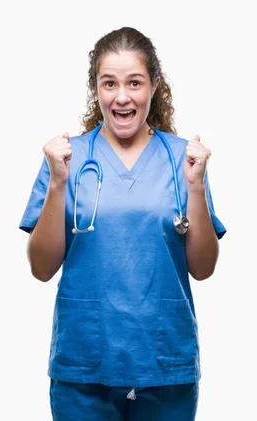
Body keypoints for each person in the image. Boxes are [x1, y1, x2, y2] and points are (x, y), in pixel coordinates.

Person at [19, 26, 226, 420]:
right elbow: (41, 268)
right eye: (109, 83)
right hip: (84, 366)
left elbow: (203, 268)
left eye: (135, 82)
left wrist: (196, 188)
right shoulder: (67, 160)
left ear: (154, 85)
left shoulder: (184, 160)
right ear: (95, 89)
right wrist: (59, 183)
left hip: (165, 367)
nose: (122, 96)